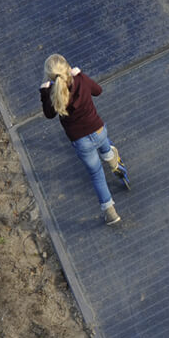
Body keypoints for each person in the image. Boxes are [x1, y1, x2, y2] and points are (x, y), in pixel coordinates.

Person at [40, 54, 125, 225]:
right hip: (99, 130)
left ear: (50, 77)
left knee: (96, 175)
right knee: (104, 144)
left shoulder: (52, 94)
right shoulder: (81, 80)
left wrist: (44, 92)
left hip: (81, 142)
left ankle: (110, 212)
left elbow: (49, 115)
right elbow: (98, 91)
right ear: (68, 68)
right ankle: (110, 158)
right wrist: (81, 75)